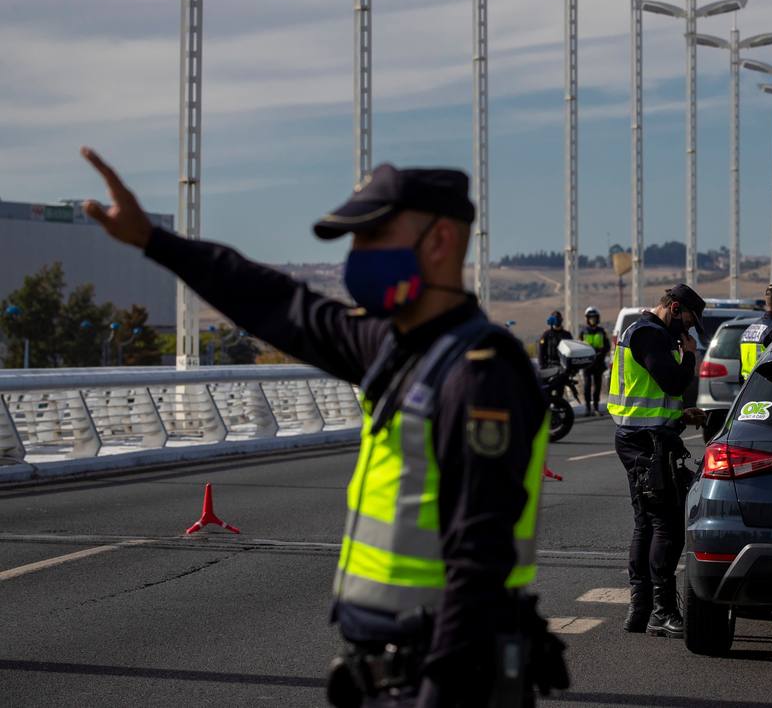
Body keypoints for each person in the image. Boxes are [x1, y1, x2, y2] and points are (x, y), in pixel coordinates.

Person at [79, 150, 565, 708]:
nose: (356, 256)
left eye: (374, 235)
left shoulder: (479, 373)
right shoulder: (396, 347)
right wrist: (154, 241)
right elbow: (276, 302)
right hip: (391, 667)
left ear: (440, 241)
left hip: (445, 675)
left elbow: (479, 562)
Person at [607, 284, 706, 639]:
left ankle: (641, 611)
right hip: (645, 443)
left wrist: (681, 417)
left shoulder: (642, 331)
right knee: (666, 524)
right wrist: (690, 357)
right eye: (689, 321)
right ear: (674, 308)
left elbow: (653, 397)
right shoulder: (650, 335)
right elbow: (673, 382)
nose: (690, 330)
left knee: (647, 524)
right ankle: (661, 612)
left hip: (642, 437)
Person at [578, 307, 609, 415]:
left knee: (597, 386)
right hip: (587, 363)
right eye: (590, 318)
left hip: (598, 363)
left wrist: (601, 354)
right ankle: (587, 408)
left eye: (594, 318)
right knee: (587, 386)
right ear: (587, 319)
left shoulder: (601, 331)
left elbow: (607, 346)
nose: (592, 320)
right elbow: (579, 346)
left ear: (597, 318)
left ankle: (596, 407)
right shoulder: (583, 332)